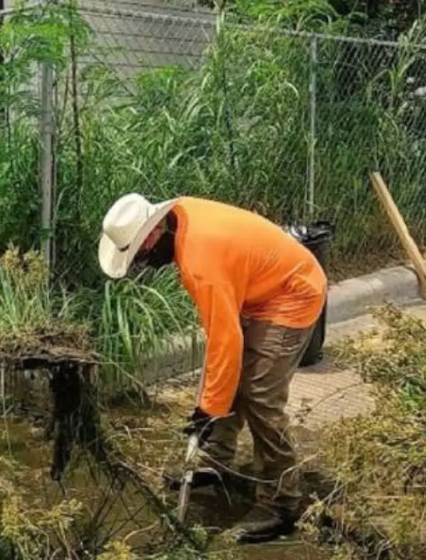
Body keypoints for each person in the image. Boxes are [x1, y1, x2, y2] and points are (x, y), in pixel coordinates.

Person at [98, 193, 327, 544]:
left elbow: (225, 339)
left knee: (260, 395)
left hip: (292, 291)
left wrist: (207, 411)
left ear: (152, 234)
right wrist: (210, 403)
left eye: (141, 254)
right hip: (260, 285)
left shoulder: (198, 260)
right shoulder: (183, 216)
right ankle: (214, 461)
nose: (144, 263)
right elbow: (223, 342)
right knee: (226, 378)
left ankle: (282, 504)